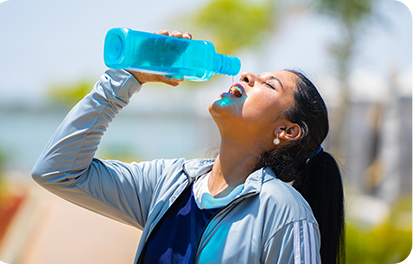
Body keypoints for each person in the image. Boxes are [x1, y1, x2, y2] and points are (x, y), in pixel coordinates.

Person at [32, 30, 345, 264]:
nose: (248, 75)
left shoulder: (281, 210)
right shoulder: (168, 184)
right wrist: (127, 78)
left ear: (287, 131)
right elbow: (58, 172)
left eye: (268, 84)